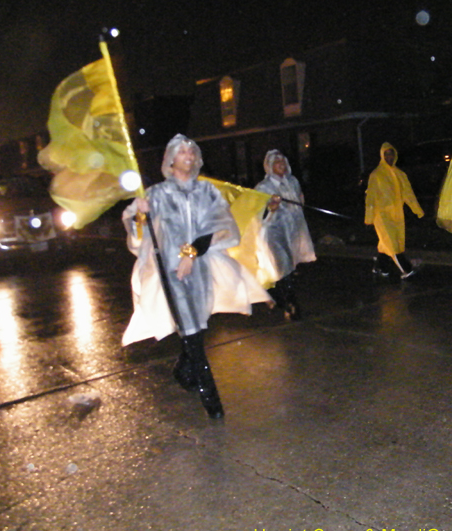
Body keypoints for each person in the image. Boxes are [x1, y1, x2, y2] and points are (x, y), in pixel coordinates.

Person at [121, 134, 272, 418]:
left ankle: (182, 371)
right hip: (170, 269)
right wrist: (139, 216)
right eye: (182, 152)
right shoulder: (157, 194)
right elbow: (139, 235)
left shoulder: (208, 192)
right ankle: (211, 400)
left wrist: (191, 254)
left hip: (201, 266)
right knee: (190, 330)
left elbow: (221, 227)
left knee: (197, 326)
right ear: (171, 159)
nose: (188, 155)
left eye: (192, 151)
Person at [255, 150, 316, 320]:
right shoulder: (264, 187)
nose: (281, 165)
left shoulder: (293, 181)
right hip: (272, 233)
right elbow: (257, 213)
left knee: (286, 268)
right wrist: (269, 209)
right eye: (277, 162)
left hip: (291, 231)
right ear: (269, 166)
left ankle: (274, 296)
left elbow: (298, 203)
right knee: (284, 268)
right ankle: (291, 305)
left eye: (283, 161)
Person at [364, 142, 424, 279]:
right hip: (381, 215)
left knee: (389, 242)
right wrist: (369, 218)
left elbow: (408, 194)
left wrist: (417, 210)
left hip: (397, 215)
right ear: (382, 156)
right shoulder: (376, 175)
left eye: (391, 154)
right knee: (392, 243)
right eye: (386, 155)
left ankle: (380, 267)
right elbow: (371, 198)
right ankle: (406, 269)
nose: (389, 157)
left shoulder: (400, 175)